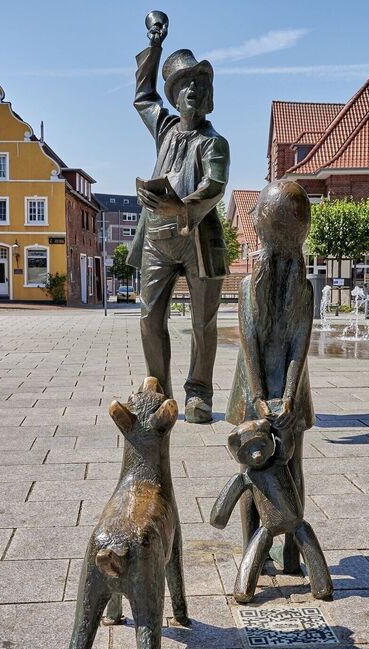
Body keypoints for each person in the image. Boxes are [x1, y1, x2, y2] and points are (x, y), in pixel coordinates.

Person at [130, 11, 230, 424]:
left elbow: (216, 185)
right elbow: (142, 95)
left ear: (206, 96)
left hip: (197, 239)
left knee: (203, 322)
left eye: (198, 84)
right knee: (149, 316)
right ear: (174, 96)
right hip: (156, 238)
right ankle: (159, 388)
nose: (191, 89)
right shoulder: (165, 129)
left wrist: (181, 205)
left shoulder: (214, 142)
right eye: (184, 84)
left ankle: (199, 393)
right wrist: (154, 46)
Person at [226, 180, 315, 575]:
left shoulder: (291, 288)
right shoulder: (271, 287)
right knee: (278, 466)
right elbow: (259, 344)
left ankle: (263, 552)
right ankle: (275, 551)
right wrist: (273, 395)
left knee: (255, 468)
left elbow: (294, 343)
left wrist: (280, 395)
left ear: (260, 230)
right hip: (261, 385)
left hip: (266, 387)